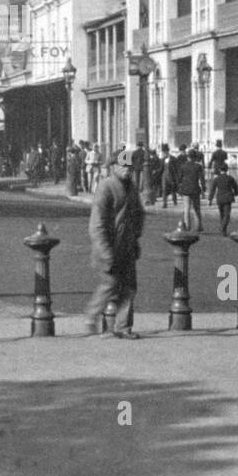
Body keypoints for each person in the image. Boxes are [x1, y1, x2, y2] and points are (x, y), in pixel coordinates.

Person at [84, 148, 145, 339]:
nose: (128, 169)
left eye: (129, 166)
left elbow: (139, 214)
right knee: (110, 284)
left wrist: (135, 237)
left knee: (129, 288)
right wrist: (105, 251)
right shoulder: (106, 187)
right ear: (113, 167)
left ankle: (123, 327)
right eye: (123, 165)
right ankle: (91, 317)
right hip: (109, 248)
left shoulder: (132, 188)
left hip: (126, 246)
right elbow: (97, 223)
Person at [177, 147, 204, 232]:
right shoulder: (198, 166)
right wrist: (203, 187)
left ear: (188, 157)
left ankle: (187, 226)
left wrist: (180, 186)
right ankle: (198, 226)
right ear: (195, 157)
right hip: (195, 188)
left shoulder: (183, 166)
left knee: (186, 209)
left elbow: (179, 178)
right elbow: (201, 178)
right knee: (197, 208)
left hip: (186, 189)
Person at [209, 163, 238, 235]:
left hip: (219, 198)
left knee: (222, 215)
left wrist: (210, 199)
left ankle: (223, 230)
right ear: (227, 169)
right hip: (228, 197)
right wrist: (236, 193)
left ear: (220, 170)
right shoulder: (230, 178)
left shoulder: (216, 179)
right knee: (227, 215)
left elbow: (212, 189)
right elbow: (235, 186)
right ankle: (223, 227)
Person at [160, 144, 180, 209]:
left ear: (167, 152)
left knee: (172, 189)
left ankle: (174, 200)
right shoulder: (162, 159)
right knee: (164, 189)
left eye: (165, 152)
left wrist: (177, 177)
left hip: (171, 175)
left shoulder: (173, 159)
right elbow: (161, 169)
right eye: (163, 152)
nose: (164, 153)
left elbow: (177, 168)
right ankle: (164, 203)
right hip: (164, 176)